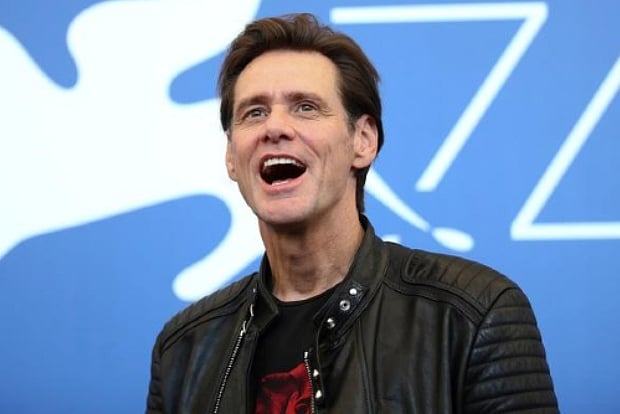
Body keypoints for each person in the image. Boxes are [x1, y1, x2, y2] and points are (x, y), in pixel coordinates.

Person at [146, 13, 559, 413]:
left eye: (305, 107)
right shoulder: (184, 348)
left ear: (363, 141)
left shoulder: (473, 313)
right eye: (254, 112)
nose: (274, 127)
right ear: (231, 157)